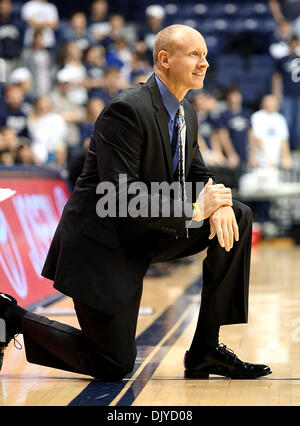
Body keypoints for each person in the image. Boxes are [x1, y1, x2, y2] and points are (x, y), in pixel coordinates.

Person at [0, 25, 271, 380]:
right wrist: (193, 210)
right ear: (163, 60)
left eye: (205, 55)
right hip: (103, 246)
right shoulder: (125, 110)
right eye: (194, 54)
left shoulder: (186, 112)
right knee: (112, 364)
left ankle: (206, 350)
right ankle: (10, 317)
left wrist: (217, 203)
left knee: (237, 214)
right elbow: (120, 196)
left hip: (147, 232)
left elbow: (198, 172)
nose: (205, 63)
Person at [272, 36, 300, 150]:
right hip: (287, 94)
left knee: (298, 121)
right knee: (287, 120)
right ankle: (287, 146)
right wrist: (277, 93)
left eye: (295, 44)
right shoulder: (283, 59)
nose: (293, 46)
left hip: (299, 94)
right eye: (291, 44)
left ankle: (297, 146)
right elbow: (277, 77)